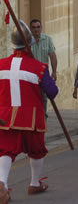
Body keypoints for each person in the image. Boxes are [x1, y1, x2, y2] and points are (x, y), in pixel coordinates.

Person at [0, 21, 59, 197]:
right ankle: (34, 183)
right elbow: (52, 92)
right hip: (31, 118)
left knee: (5, 150)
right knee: (36, 150)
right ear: (30, 44)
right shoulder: (39, 67)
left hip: (5, 117)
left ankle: (2, 182)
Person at [30, 19, 57, 116]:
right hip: (31, 73)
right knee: (31, 95)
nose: (36, 30)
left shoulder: (48, 39)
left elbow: (52, 56)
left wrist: (54, 72)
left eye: (38, 27)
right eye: (33, 27)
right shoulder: (27, 40)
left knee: (44, 96)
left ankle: (43, 115)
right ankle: (33, 115)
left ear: (41, 28)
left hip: (43, 73)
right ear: (30, 29)